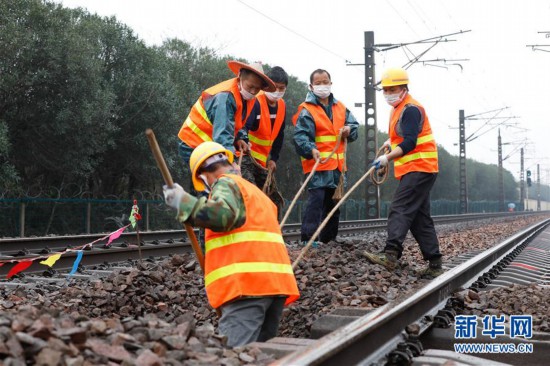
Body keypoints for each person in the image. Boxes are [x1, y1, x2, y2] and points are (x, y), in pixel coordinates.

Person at [162, 141, 300, 348]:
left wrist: (183, 202)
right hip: (276, 286)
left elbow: (223, 215)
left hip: (248, 288)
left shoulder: (225, 184)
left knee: (235, 355)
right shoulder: (255, 194)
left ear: (203, 176)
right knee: (260, 355)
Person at [363, 67, 443, 278]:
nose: (388, 92)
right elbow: (403, 135)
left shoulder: (410, 109)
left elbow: (410, 142)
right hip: (418, 169)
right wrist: (392, 142)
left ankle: (390, 255)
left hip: (420, 166)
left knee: (400, 208)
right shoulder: (399, 108)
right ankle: (435, 263)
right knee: (419, 217)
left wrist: (386, 158)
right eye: (386, 89)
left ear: (404, 87)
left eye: (393, 88)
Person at [293, 69, 359, 246]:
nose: (323, 86)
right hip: (318, 164)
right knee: (316, 201)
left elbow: (354, 127)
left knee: (333, 203)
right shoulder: (307, 110)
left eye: (325, 82)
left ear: (331, 83)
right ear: (311, 86)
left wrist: (349, 130)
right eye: (318, 83)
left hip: (337, 166)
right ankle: (309, 238)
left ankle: (329, 239)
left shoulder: (341, 107)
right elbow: (300, 137)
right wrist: (310, 149)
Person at [177, 60, 276, 172]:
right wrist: (231, 164)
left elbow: (234, 122)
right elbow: (222, 135)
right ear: (240, 78)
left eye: (257, 89)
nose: (253, 91)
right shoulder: (225, 97)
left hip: (210, 146)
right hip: (193, 144)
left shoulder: (247, 98)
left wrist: (239, 139)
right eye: (250, 86)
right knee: (213, 181)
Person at [240, 66, 288, 220]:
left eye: (281, 88)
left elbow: (279, 135)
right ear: (267, 85)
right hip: (245, 158)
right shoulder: (255, 101)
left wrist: (274, 158)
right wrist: (244, 144)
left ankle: (272, 237)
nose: (277, 91)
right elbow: (244, 127)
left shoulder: (282, 106)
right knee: (252, 195)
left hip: (262, 162)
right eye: (274, 87)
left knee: (274, 200)